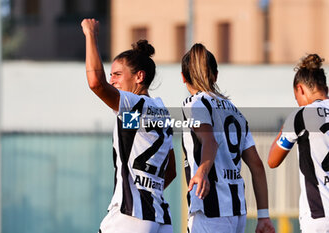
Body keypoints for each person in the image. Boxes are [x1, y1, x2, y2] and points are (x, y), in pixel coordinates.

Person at [81, 19, 176, 233]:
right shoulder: (160, 111)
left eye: (117, 74)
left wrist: (91, 35)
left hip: (130, 216)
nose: (112, 79)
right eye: (111, 74)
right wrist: (147, 192)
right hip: (159, 216)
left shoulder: (134, 104)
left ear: (139, 77)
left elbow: (96, 83)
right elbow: (170, 170)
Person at [181, 43, 275, 233]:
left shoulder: (194, 104)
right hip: (237, 211)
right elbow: (256, 165)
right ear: (215, 75)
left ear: (183, 78)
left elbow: (210, 141)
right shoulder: (236, 112)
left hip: (210, 208)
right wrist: (263, 215)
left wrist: (202, 171)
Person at [268, 54, 329, 232]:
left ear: (300, 89)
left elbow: (272, 160)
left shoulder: (300, 116)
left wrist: (288, 124)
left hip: (318, 218)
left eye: (296, 97)